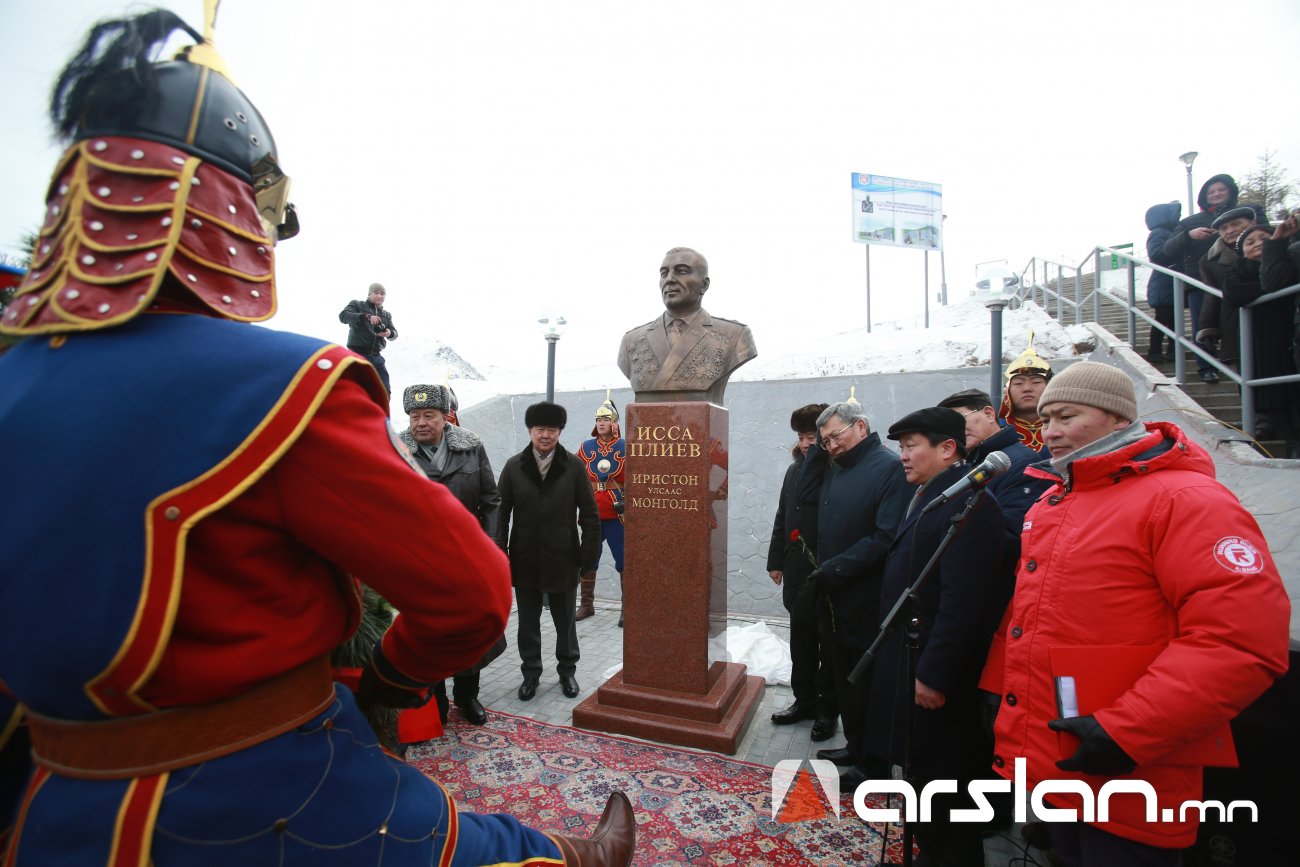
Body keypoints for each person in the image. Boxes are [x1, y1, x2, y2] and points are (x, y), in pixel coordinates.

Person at [0, 10, 633, 865]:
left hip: (52, 807)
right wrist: (392, 677)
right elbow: (475, 590)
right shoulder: (284, 388)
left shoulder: (14, 379)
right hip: (260, 804)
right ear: (228, 209)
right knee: (514, 850)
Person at [989, 361, 1289, 864]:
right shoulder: (1055, 502)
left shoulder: (1187, 500)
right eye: (1046, 421)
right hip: (1064, 760)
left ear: (1116, 417)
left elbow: (1241, 641)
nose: (1052, 433)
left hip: (1134, 765)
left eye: (1067, 416)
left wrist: (1129, 731)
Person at [867, 407, 1006, 867]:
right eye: (901, 447)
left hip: (934, 671)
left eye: (911, 447)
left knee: (945, 784)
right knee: (921, 776)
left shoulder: (972, 505)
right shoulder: (933, 493)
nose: (902, 456)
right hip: (908, 655)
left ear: (948, 449)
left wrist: (935, 675)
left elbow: (964, 603)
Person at [801, 401, 910, 793]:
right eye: (825, 440)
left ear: (861, 426)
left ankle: (874, 764)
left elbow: (885, 536)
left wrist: (835, 568)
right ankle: (855, 746)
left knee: (867, 684)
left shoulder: (888, 468)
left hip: (865, 594)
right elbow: (806, 492)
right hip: (834, 595)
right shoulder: (835, 466)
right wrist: (818, 452)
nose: (830, 445)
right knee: (844, 679)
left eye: (835, 436)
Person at [398, 384, 504, 726]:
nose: (421, 423)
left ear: (445, 418)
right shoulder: (396, 450)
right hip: (420, 562)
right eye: (415, 416)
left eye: (429, 415)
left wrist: (490, 548)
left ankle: (467, 695)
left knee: (468, 630)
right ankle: (437, 698)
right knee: (428, 633)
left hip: (467, 559)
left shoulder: (471, 448)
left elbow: (492, 501)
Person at [495, 401, 601, 702]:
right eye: (539, 428)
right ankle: (531, 674)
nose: (545, 434)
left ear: (559, 432)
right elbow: (501, 513)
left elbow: (590, 515)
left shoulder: (574, 466)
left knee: (565, 622)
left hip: (563, 558)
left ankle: (567, 671)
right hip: (525, 558)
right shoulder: (514, 466)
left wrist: (587, 557)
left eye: (551, 429)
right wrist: (500, 552)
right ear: (530, 431)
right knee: (527, 624)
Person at [766, 403, 838, 742]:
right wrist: (775, 560)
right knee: (802, 641)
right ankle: (804, 701)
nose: (807, 442)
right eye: (801, 436)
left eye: (812, 436)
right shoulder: (795, 469)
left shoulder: (835, 469)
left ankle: (827, 711)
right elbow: (784, 514)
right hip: (796, 570)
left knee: (828, 643)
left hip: (825, 570)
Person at [617, 247, 757, 404]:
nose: (670, 279)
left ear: (704, 285)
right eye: (664, 273)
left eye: (681, 271)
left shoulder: (735, 336)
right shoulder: (632, 341)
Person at [1162, 173, 1240, 383]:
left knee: (1238, 321)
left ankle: (1235, 362)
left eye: (1220, 190)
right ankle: (1206, 366)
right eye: (1211, 191)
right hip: (1200, 281)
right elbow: (1167, 249)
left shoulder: (1246, 213)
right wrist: (1189, 235)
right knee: (1202, 325)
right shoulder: (1191, 222)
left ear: (1231, 192)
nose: (1216, 194)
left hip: (1239, 276)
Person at [574, 394, 626, 624]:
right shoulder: (586, 447)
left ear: (614, 422)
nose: (601, 423)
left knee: (624, 559)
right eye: (598, 419)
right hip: (592, 511)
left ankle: (628, 608)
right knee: (589, 558)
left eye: (605, 419)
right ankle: (587, 605)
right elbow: (576, 476)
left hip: (618, 512)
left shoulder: (627, 446)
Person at [1194, 205, 1262, 371]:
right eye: (1223, 228)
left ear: (1253, 222)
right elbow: (1212, 295)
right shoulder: (1209, 261)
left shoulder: (1272, 245)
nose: (1230, 231)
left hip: (1275, 321)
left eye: (1236, 224)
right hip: (1234, 325)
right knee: (1245, 384)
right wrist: (1208, 329)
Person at [998, 336, 1053, 454]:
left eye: (1036, 382)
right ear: (1007, 391)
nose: (1027, 388)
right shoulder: (996, 432)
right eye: (1018, 383)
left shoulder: (1066, 429)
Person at [1142, 202, 1181, 363]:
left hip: (1170, 283)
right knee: (1163, 318)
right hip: (1163, 283)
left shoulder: (1169, 232)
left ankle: (1172, 350)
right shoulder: (1159, 233)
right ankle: (1155, 351)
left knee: (1172, 319)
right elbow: (1155, 253)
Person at [340, 282, 397, 393]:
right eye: (376, 293)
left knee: (384, 392)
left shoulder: (386, 315)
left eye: (382, 294)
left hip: (377, 357)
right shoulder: (357, 305)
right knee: (357, 390)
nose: (380, 296)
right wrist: (366, 316)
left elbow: (394, 334)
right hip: (357, 355)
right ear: (369, 294)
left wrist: (388, 332)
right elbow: (343, 316)